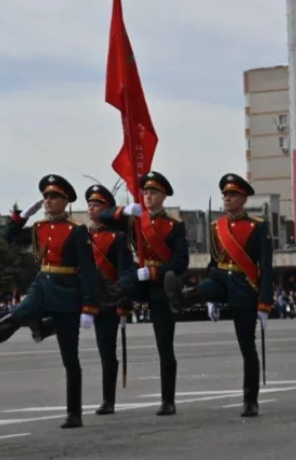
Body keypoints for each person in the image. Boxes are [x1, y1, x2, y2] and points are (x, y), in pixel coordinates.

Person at [0, 174, 98, 429]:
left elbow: (88, 270)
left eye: (54, 197)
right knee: (21, 311)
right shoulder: (39, 228)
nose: (48, 201)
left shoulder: (77, 230)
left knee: (69, 357)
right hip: (43, 284)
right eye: (46, 197)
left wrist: (89, 306)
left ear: (65, 201)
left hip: (67, 291)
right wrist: (20, 219)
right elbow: (9, 238)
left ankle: (74, 412)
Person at [164, 173, 273, 417]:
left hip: (244, 286)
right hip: (220, 279)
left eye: (232, 195)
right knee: (205, 286)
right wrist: (211, 296)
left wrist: (265, 302)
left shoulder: (258, 226)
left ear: (243, 198)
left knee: (247, 347)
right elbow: (214, 262)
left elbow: (266, 265)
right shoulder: (216, 227)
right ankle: (183, 297)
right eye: (225, 195)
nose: (227, 198)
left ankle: (250, 400)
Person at [97, 170, 188, 416]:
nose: (148, 196)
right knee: (116, 289)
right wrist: (123, 211)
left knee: (164, 343)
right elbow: (102, 217)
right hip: (138, 280)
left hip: (160, 285)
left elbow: (181, 262)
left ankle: (168, 401)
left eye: (153, 192)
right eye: (146, 192)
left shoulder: (174, 226)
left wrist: (156, 273)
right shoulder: (135, 218)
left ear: (164, 196)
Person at [82, 184, 134, 415]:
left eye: (97, 205)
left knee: (106, 351)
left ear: (107, 209)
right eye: (90, 204)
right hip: (81, 298)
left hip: (106, 301)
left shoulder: (118, 238)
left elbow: (125, 274)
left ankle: (108, 399)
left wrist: (123, 303)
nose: (92, 208)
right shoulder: (81, 236)